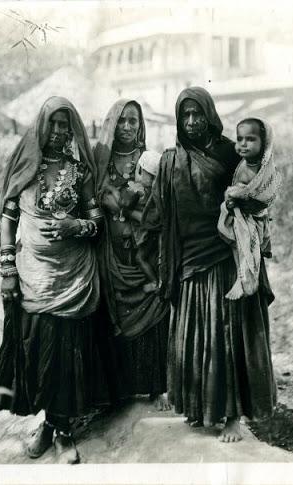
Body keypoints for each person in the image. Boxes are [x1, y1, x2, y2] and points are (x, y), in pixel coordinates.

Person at [141, 87, 277, 442]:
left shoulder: (230, 152)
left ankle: (232, 417)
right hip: (189, 258)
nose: (191, 121)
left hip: (225, 256)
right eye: (184, 115)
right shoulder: (172, 160)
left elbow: (258, 191)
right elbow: (156, 214)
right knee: (196, 338)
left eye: (197, 114)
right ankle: (202, 409)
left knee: (227, 336)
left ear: (210, 114)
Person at [0, 96, 108, 464]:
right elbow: (8, 220)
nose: (59, 132)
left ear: (72, 130)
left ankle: (62, 431)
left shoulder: (79, 170)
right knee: (39, 351)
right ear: (42, 127)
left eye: (65, 125)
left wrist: (76, 225)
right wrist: (8, 269)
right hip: (34, 277)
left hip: (74, 277)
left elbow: (96, 220)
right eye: (53, 125)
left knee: (68, 354)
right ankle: (47, 423)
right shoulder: (25, 168)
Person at [93, 99, 171, 410]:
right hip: (112, 255)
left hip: (146, 253)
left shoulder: (148, 159)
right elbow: (98, 197)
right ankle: (119, 392)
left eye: (133, 121)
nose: (127, 127)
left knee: (154, 314)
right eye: (122, 121)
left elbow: (159, 202)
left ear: (141, 126)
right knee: (115, 319)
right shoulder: (102, 159)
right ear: (112, 123)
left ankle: (156, 387)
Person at [218, 117, 280, 299]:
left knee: (249, 245)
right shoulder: (242, 165)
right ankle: (243, 277)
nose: (243, 144)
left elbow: (266, 194)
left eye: (251, 139)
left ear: (264, 142)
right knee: (239, 246)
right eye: (240, 139)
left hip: (254, 216)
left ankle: (248, 279)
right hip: (240, 215)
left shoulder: (265, 168)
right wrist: (232, 199)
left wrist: (239, 195)